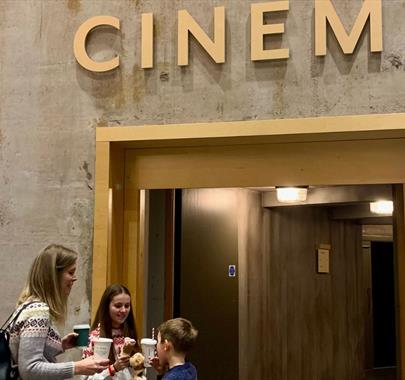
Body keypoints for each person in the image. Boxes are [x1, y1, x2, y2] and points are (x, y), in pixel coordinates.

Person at [9, 244, 110, 379]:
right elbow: (29, 369)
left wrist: (60, 345)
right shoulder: (38, 311)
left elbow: (30, 353)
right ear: (54, 275)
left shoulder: (29, 305)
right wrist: (78, 367)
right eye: (70, 272)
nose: (74, 278)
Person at [82, 284, 146, 380]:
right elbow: (86, 378)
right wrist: (113, 369)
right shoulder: (94, 338)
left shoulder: (129, 334)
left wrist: (142, 364)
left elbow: (138, 373)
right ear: (106, 307)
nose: (124, 310)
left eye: (127, 306)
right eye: (118, 306)